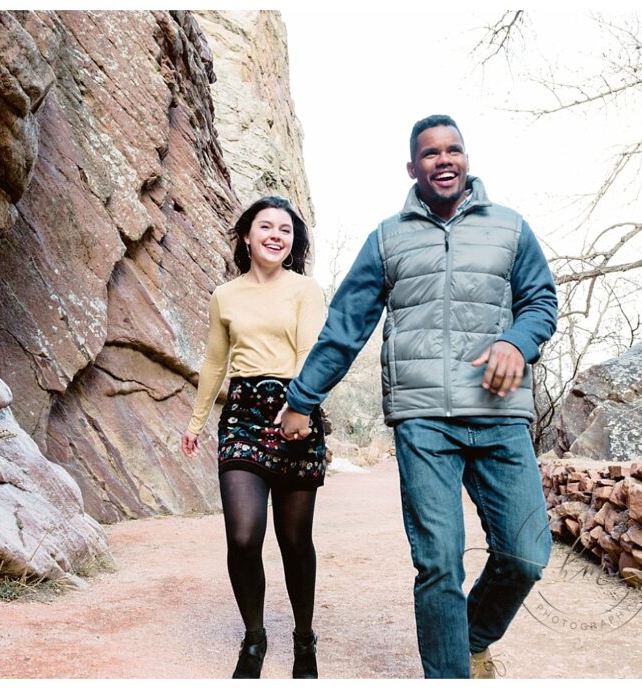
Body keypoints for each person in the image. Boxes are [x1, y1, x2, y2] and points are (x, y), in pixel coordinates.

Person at [277, 115, 558, 679]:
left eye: (454, 149)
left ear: (467, 159)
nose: (444, 159)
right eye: (430, 153)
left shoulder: (510, 228)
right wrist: (303, 399)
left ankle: (471, 639)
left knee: (527, 556)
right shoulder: (387, 239)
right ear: (413, 168)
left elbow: (541, 303)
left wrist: (516, 342)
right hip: (423, 420)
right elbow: (346, 327)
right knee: (438, 564)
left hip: (500, 416)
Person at [181, 196, 328, 679]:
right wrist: (196, 422)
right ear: (247, 236)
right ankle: (254, 637)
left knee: (293, 539)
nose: (275, 235)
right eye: (266, 226)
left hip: (296, 412)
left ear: (292, 242)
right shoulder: (225, 295)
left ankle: (304, 640)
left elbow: (311, 351)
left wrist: (301, 409)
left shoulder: (306, 290)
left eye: (285, 230)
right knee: (244, 537)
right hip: (243, 414)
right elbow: (213, 361)